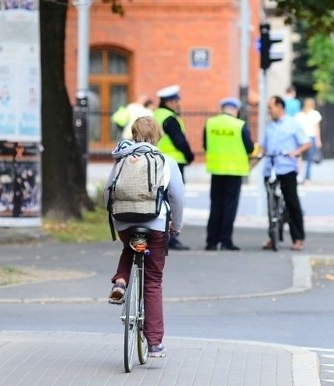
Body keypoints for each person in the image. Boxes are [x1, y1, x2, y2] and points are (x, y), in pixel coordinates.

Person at [103, 116, 185, 358]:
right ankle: (155, 344)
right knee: (152, 281)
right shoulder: (166, 161)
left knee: (130, 247)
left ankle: (120, 281)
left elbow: (108, 192)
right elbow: (178, 198)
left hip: (125, 222)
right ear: (157, 135)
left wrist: (115, 215)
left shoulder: (121, 158)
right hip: (156, 224)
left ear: (133, 133)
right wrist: (176, 226)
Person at [259, 96, 311, 251]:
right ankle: (273, 236)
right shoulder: (269, 126)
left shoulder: (293, 124)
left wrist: (295, 152)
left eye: (271, 108)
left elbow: (306, 143)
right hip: (271, 168)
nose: (269, 111)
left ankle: (298, 238)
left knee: (292, 203)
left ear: (280, 107)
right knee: (271, 204)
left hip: (287, 168)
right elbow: (263, 147)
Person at [203, 97, 254, 251]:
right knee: (229, 207)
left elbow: (205, 145)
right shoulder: (240, 125)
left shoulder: (210, 123)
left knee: (215, 205)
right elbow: (250, 148)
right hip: (234, 171)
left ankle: (211, 242)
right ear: (235, 110)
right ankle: (226, 241)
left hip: (216, 170)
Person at [154, 84, 194, 250]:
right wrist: (189, 155)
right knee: (172, 199)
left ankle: (157, 234)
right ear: (169, 102)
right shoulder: (169, 118)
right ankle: (170, 238)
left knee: (158, 199)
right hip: (172, 163)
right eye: (176, 101)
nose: (179, 104)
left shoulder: (156, 114)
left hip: (155, 162)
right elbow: (179, 141)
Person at [295, 98, 322, 183]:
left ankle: (299, 175)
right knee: (309, 160)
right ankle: (307, 177)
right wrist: (318, 140)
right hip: (311, 137)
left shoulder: (299, 115)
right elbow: (316, 128)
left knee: (299, 158)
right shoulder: (315, 114)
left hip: (301, 138)